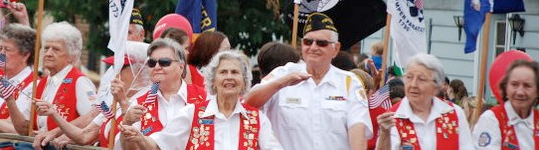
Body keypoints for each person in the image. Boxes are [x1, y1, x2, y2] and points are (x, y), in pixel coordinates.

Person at [244, 13, 372, 150]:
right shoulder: (282, 74)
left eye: (321, 43)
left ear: (335, 49)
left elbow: (358, 128)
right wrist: (282, 83)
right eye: (308, 42)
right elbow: (249, 103)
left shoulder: (349, 82)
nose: (313, 47)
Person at [118, 50, 284, 149]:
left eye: (235, 72)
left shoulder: (258, 120)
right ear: (213, 81)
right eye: (223, 72)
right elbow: (158, 145)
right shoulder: (191, 114)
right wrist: (138, 137)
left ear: (244, 81)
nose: (229, 77)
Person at [32, 41, 150, 149]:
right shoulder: (113, 102)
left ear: (140, 69)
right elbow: (84, 136)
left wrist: (124, 103)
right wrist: (54, 114)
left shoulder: (149, 102)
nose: (116, 72)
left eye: (122, 66)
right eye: (114, 66)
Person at [118, 39, 207, 149]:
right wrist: (127, 122)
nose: (157, 67)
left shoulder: (205, 98)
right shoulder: (139, 103)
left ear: (181, 67)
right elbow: (128, 149)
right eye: (151, 63)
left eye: (164, 62)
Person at [375, 54, 473, 150]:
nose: (413, 84)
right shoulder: (393, 116)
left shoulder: (454, 113)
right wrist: (385, 134)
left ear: (436, 87)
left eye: (421, 79)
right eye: (409, 77)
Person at [473, 60, 539, 150]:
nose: (520, 92)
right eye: (514, 84)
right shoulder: (491, 119)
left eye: (527, 86)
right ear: (505, 88)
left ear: (537, 91)